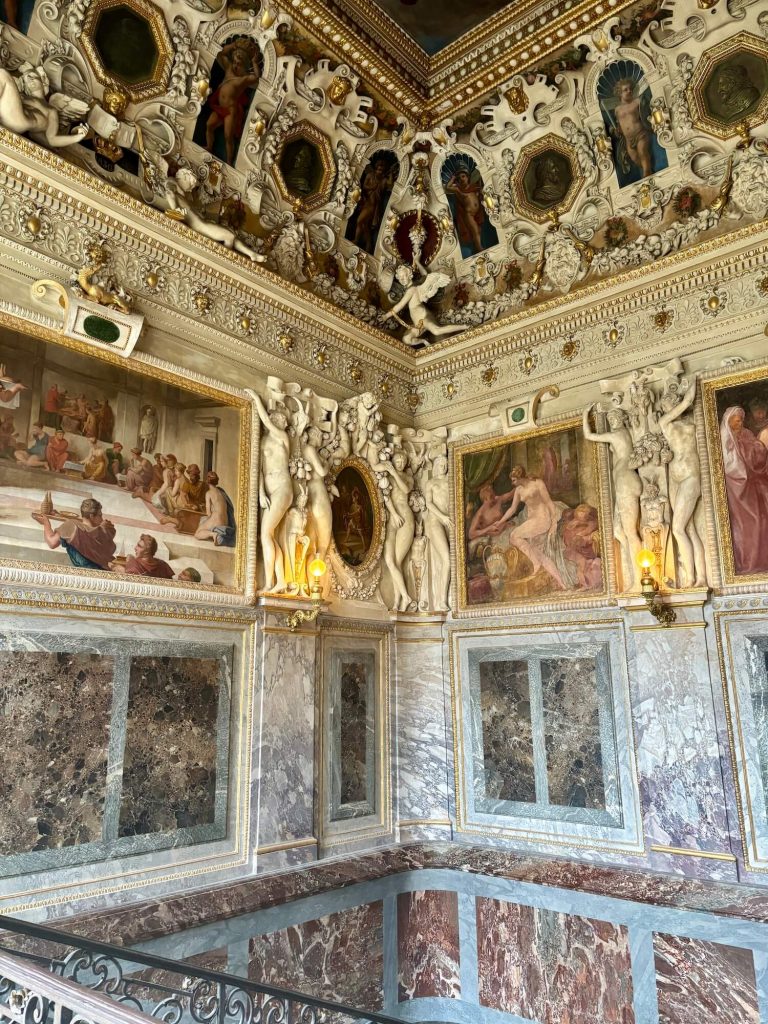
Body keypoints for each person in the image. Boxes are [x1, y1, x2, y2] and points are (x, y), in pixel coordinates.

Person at [490, 465, 568, 589]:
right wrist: (500, 522)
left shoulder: (537, 483)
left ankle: (535, 561)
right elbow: (512, 509)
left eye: (514, 480)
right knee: (539, 554)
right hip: (531, 521)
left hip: (542, 519)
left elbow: (549, 502)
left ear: (520, 476)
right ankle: (561, 583)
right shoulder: (518, 490)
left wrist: (554, 522)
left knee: (514, 536)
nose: (512, 483)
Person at [720, 406, 768, 574]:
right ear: (729, 421)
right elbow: (731, 466)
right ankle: (745, 563)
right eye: (736, 419)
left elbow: (760, 453)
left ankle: (759, 562)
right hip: (735, 490)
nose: (740, 422)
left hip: (751, 488)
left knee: (758, 521)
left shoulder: (747, 434)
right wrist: (745, 450)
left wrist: (753, 448)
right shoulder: (725, 438)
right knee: (741, 526)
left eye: (741, 419)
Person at [204, 38, 260, 164]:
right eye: (236, 55)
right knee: (209, 125)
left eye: (239, 57)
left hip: (230, 110)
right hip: (219, 108)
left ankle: (229, 162)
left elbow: (256, 77)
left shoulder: (244, 78)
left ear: (244, 61)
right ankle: (209, 147)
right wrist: (233, 45)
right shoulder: (228, 68)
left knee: (228, 137)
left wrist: (254, 62)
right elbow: (222, 54)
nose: (236, 59)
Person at [33, 497, 116, 570]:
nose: (102, 519)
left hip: (82, 574)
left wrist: (46, 523)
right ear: (91, 516)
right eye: (100, 515)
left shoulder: (72, 526)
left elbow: (52, 543)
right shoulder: (103, 531)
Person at [352, 156, 395, 253]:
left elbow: (390, 184)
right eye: (378, 169)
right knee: (365, 225)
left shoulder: (383, 180)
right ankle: (368, 245)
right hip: (365, 201)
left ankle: (356, 240)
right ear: (375, 168)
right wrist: (373, 186)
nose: (379, 171)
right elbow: (364, 186)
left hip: (373, 205)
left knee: (360, 221)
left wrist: (391, 174)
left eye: (382, 170)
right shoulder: (370, 175)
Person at [612, 78, 653, 179]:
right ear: (620, 93)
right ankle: (648, 169)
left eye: (630, 89)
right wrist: (618, 130)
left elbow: (646, 114)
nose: (629, 91)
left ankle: (647, 174)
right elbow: (620, 125)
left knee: (642, 152)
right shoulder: (617, 110)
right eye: (626, 90)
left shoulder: (637, 102)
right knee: (634, 158)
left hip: (640, 134)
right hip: (628, 139)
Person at [445, 165, 487, 255]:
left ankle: (477, 249)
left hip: (476, 213)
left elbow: (480, 193)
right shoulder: (458, 190)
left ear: (468, 177)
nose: (462, 179)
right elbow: (448, 187)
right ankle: (480, 249)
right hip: (469, 214)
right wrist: (453, 178)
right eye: (459, 178)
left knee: (478, 231)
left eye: (463, 176)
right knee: (475, 231)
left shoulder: (474, 187)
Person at [561, 503, 602, 590]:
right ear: (576, 511)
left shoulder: (592, 523)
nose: (582, 513)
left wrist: (583, 536)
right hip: (574, 549)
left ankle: (586, 584)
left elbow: (589, 532)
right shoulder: (570, 524)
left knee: (584, 565)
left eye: (585, 511)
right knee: (581, 565)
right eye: (581, 511)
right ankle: (584, 584)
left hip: (586, 548)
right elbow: (568, 537)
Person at [195, 470, 236, 546]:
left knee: (197, 533)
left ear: (207, 481)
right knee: (204, 521)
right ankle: (216, 535)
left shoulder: (209, 493)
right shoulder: (221, 492)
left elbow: (208, 514)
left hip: (217, 521)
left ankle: (213, 534)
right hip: (225, 521)